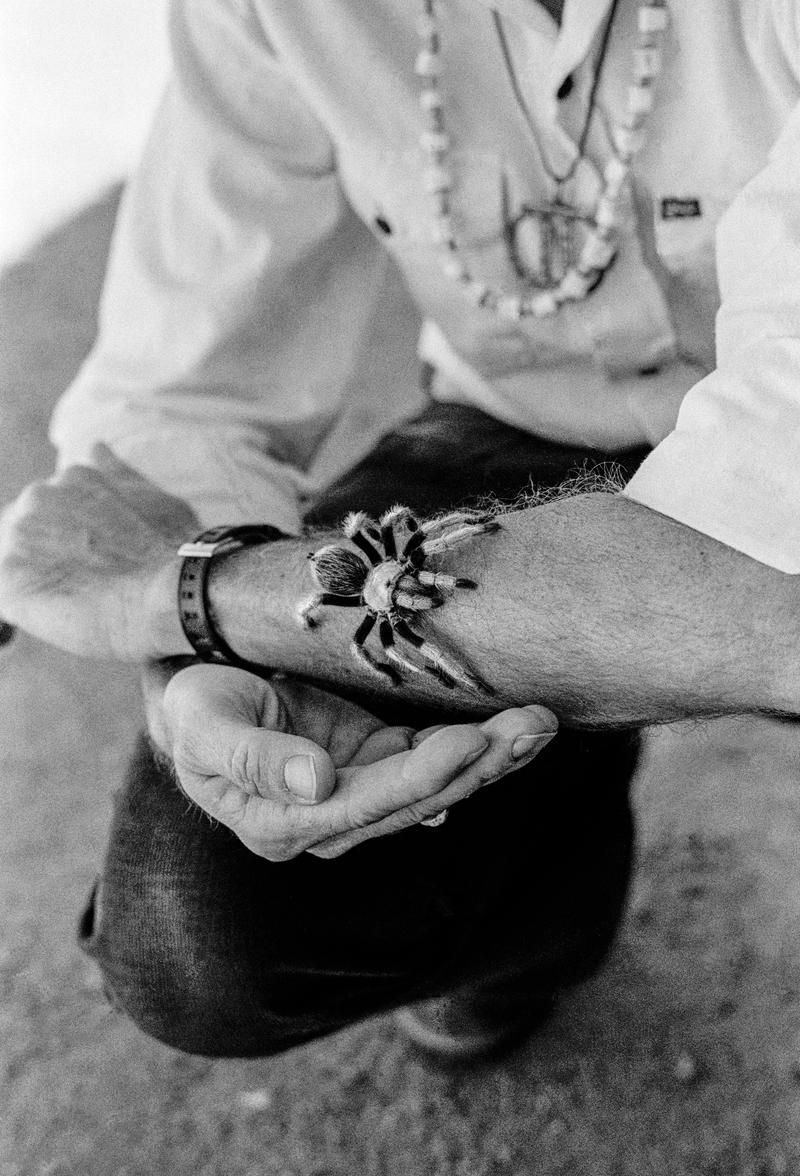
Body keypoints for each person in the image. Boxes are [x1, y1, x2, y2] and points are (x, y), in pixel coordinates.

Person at [1, 0, 800, 1059]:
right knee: (194, 937)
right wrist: (203, 664)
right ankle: (538, 914)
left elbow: (765, 589)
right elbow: (181, 395)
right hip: (520, 425)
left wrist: (187, 594)